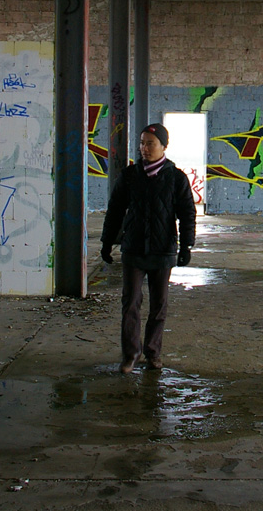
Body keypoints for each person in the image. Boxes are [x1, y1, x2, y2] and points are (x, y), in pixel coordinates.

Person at [100, 123, 196, 374]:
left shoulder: (176, 178)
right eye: (142, 143)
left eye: (150, 143)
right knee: (130, 302)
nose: (144, 148)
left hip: (163, 250)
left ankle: (153, 353)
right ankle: (131, 354)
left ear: (164, 146)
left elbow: (187, 213)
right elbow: (115, 210)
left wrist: (186, 245)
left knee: (158, 305)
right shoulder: (129, 176)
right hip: (133, 249)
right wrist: (107, 242)